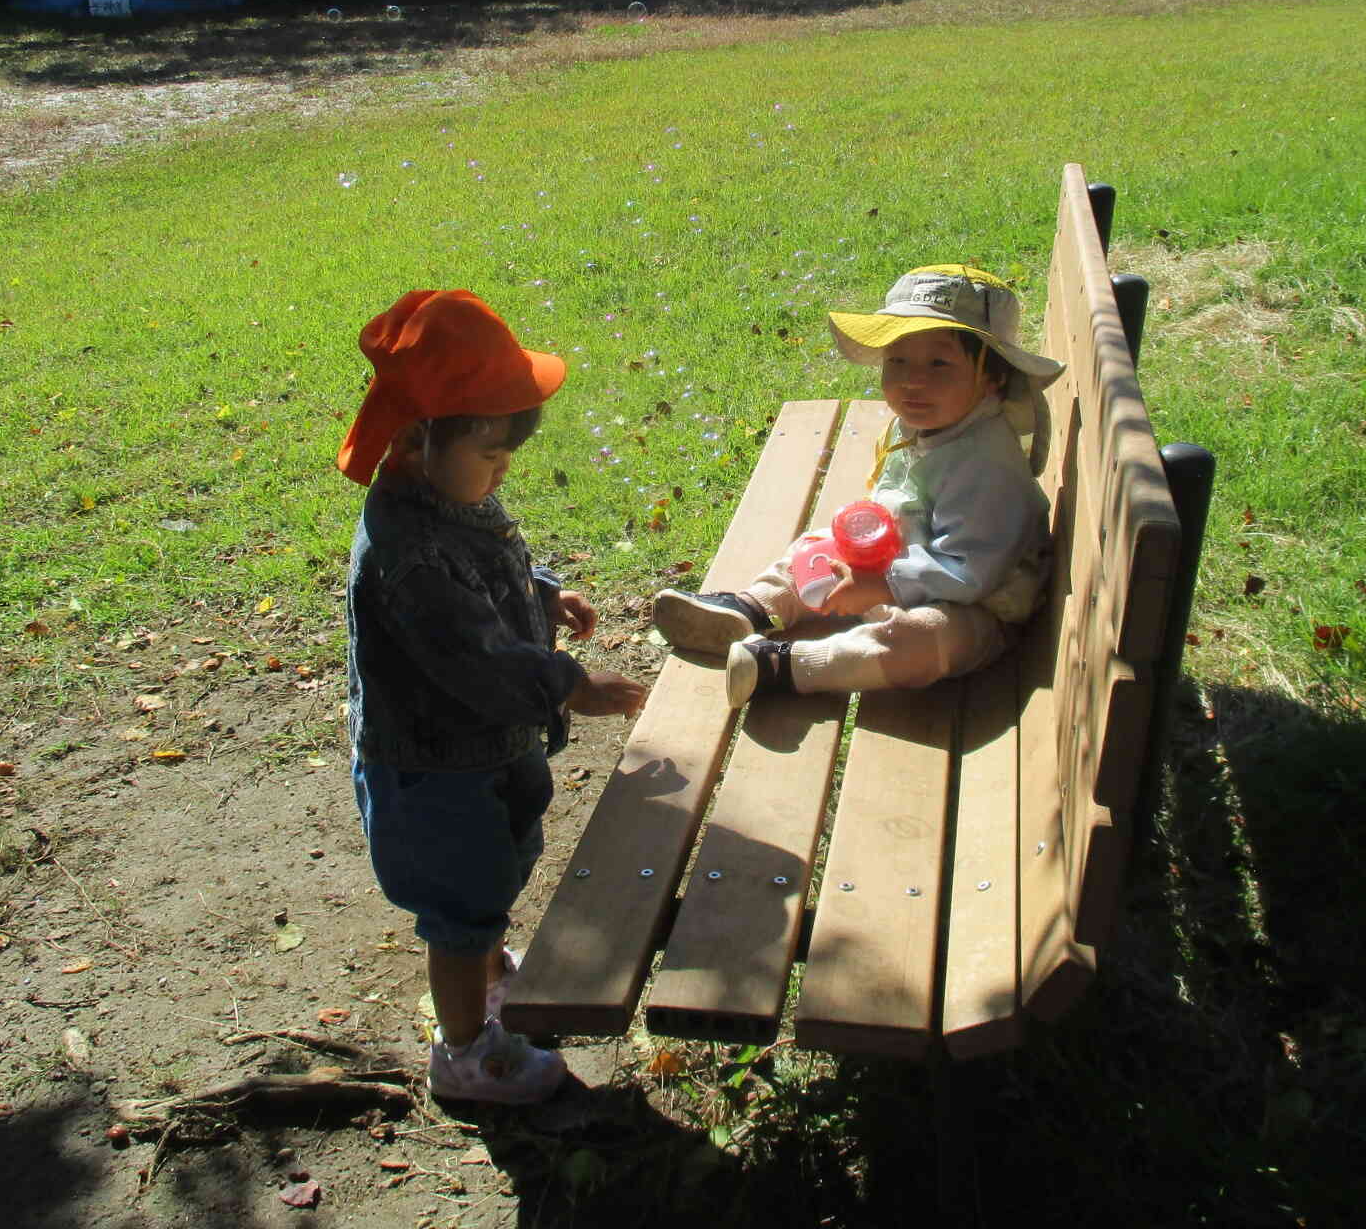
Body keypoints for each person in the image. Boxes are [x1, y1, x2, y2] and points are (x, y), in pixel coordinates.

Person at [338, 289, 648, 1105]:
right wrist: (573, 685)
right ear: (412, 442)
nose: (503, 469)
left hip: (484, 756)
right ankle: (466, 1049)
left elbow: (486, 567)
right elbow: (474, 663)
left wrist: (541, 594)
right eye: (490, 453)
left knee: (493, 874)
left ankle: (481, 969)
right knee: (459, 900)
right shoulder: (404, 555)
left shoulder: (448, 497)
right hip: (433, 776)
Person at [652, 264, 1059, 705]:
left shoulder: (987, 466)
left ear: (993, 375)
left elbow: (970, 569)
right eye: (897, 359)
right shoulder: (929, 423)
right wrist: (859, 550)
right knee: (818, 546)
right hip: (897, 561)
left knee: (923, 640)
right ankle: (752, 607)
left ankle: (783, 666)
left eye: (939, 363)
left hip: (979, 607)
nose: (911, 380)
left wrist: (885, 584)